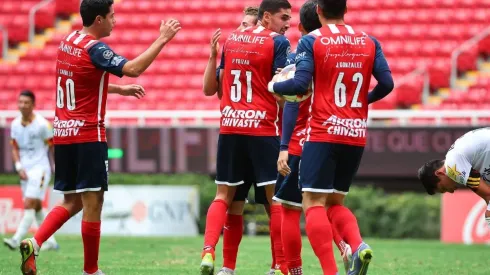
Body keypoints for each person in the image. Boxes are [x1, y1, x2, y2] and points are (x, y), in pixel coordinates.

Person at [19, 1, 181, 274]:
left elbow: (83, 81)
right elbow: (133, 68)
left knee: (72, 201)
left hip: (64, 134)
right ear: (98, 20)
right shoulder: (96, 48)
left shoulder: (67, 41)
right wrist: (162, 38)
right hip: (88, 135)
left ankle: (34, 243)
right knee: (93, 204)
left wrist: (119, 90)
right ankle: (91, 271)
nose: (115, 21)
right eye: (112, 16)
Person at [268, 0, 394, 274]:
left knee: (312, 204)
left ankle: (330, 272)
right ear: (345, 10)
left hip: (322, 133)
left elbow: (299, 86)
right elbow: (387, 84)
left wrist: (275, 83)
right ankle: (358, 246)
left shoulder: (311, 42)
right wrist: (361, 101)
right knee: (336, 203)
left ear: (319, 11)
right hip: (355, 134)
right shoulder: (369, 40)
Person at [199, 1, 292, 275]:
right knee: (275, 201)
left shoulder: (232, 40)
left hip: (230, 127)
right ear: (266, 18)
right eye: (283, 17)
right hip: (262, 128)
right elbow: (280, 93)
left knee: (225, 198)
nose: (286, 22)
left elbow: (218, 87)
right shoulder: (278, 43)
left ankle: (213, 256)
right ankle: (281, 267)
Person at [272, 1, 352, 274]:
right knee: (326, 205)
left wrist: (284, 146)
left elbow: (292, 101)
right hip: (334, 136)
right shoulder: (339, 53)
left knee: (291, 208)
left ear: (303, 27)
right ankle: (345, 245)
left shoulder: (301, 55)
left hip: (302, 141)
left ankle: (292, 268)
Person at [3, 91, 59, 252]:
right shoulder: (14, 124)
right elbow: (14, 147)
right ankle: (51, 242)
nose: (23, 105)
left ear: (33, 105)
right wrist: (19, 167)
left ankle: (15, 239)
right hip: (24, 170)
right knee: (37, 206)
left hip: (40, 169)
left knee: (29, 203)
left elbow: (52, 146)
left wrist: (58, 168)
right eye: (20, 102)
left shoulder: (43, 125)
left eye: (26, 102)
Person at [418, 127, 490, 227]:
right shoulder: (463, 165)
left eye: (443, 188)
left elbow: (488, 195)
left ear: (440, 173)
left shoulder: (453, 168)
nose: (451, 191)